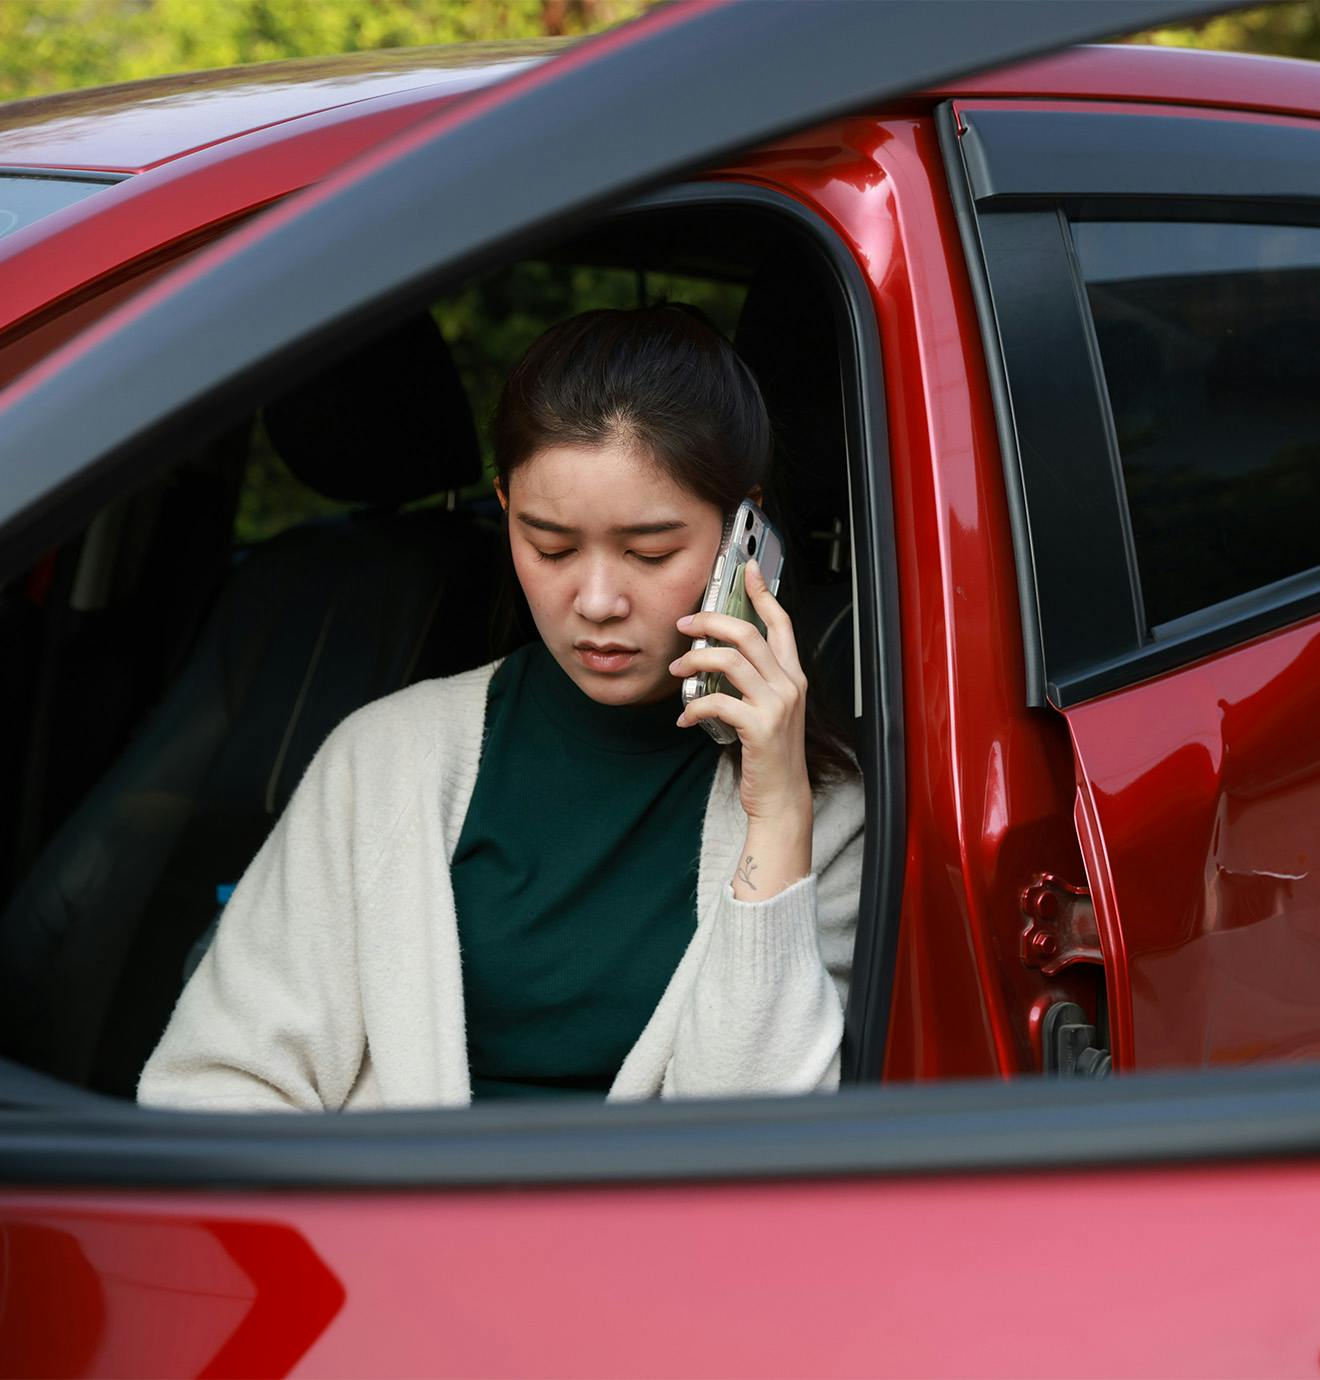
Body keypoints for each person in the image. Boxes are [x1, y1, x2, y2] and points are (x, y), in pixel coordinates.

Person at [137, 304, 866, 1111]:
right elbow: (212, 1085)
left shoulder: (825, 815)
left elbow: (753, 1154)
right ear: (503, 507)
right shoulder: (383, 761)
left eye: (650, 552)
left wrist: (777, 816)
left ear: (745, 531)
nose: (594, 600)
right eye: (548, 546)